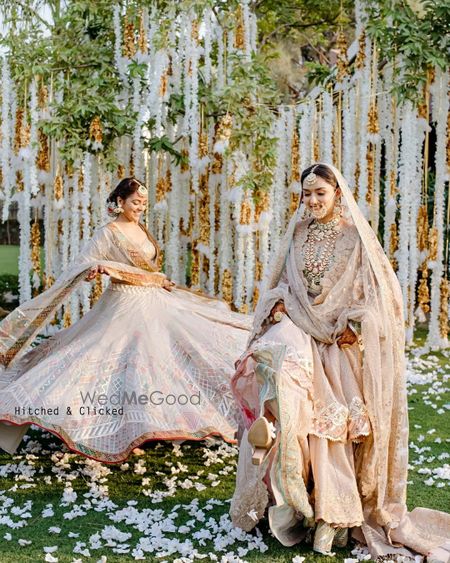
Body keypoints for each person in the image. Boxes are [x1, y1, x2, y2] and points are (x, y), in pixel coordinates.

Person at [229, 163, 450, 560]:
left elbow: (381, 296)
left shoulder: (354, 238)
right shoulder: (296, 233)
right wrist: (279, 302)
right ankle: (289, 499)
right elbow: (280, 282)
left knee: (327, 430)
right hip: (299, 330)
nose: (312, 202)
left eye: (320, 194)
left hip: (336, 345)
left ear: (337, 194)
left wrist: (357, 321)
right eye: (306, 194)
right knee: (283, 389)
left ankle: (332, 517)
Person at [0, 178, 252, 463]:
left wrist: (151, 279)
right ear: (120, 202)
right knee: (99, 356)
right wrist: (98, 268)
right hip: (122, 303)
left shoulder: (140, 227)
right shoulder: (108, 232)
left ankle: (164, 420)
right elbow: (82, 263)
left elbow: (147, 267)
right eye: (135, 203)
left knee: (174, 351)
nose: (140, 209)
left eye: (144, 204)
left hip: (154, 301)